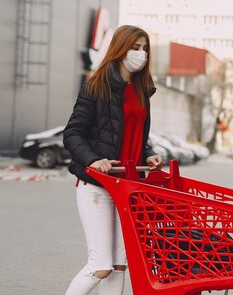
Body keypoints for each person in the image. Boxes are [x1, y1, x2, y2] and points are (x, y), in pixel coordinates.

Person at [63, 25, 164, 295]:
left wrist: (148, 154)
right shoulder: (97, 84)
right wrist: (93, 159)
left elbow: (138, 137)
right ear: (120, 49)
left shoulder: (142, 90)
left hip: (130, 188)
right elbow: (73, 134)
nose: (140, 54)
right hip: (98, 186)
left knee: (120, 266)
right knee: (101, 266)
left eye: (144, 49)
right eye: (135, 47)